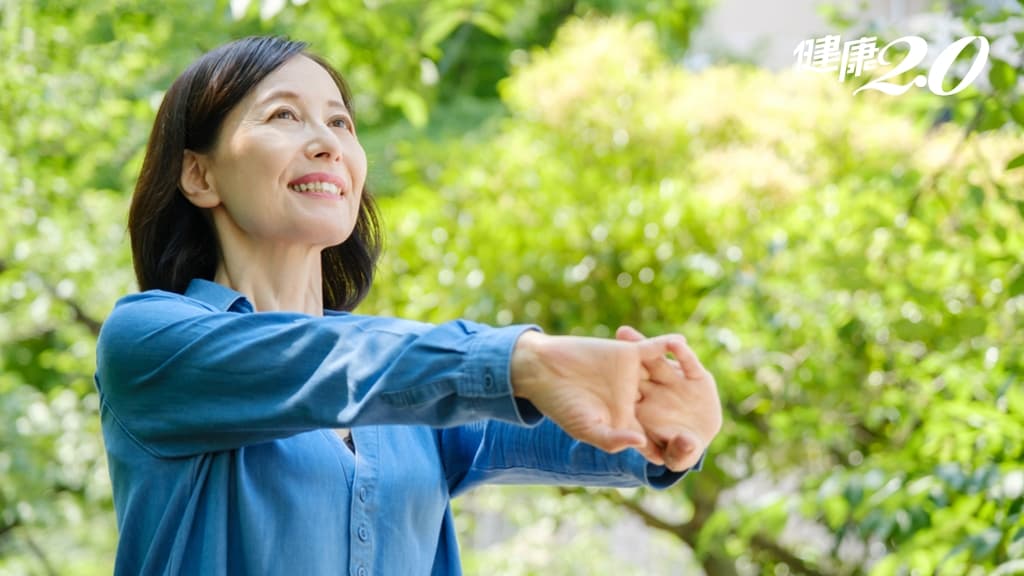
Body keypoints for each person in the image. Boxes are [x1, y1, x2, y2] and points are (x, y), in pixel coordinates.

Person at [94, 35, 722, 575]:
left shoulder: (411, 382)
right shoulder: (150, 343)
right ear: (199, 176)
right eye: (284, 116)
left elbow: (591, 431)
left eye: (340, 122)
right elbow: (318, 365)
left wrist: (657, 418)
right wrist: (524, 362)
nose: (326, 143)